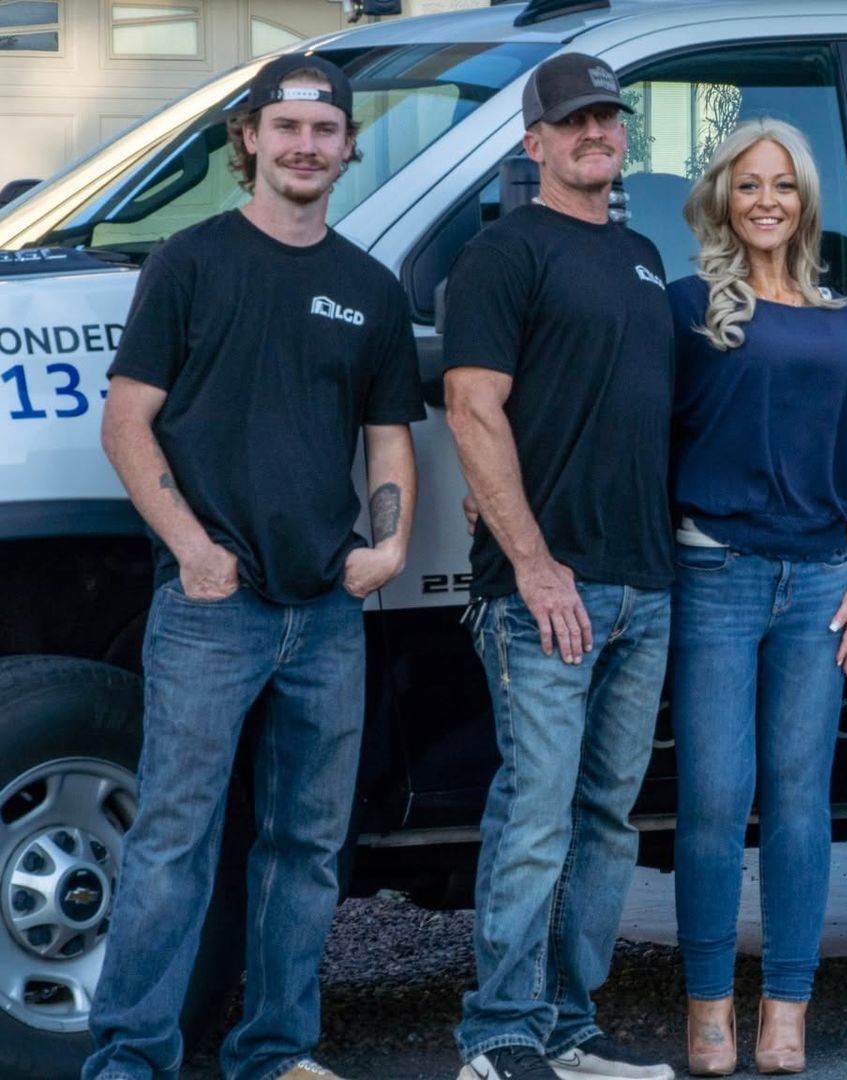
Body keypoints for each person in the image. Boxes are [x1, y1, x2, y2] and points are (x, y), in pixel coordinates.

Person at [86, 55, 422, 1080]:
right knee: (172, 842)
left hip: (326, 612)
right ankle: (129, 1058)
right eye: (287, 130)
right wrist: (192, 549)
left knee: (307, 851)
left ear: (347, 147)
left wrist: (392, 546)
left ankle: (275, 1052)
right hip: (209, 609)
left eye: (325, 133)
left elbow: (389, 437)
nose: (306, 148)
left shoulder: (368, 289)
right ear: (251, 141)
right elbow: (126, 423)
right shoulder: (190, 262)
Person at [442, 53, 676, 1080]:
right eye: (573, 122)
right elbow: (472, 408)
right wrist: (534, 565)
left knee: (606, 819)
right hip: (546, 586)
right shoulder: (503, 255)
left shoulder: (642, 255)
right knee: (534, 811)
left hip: (645, 584)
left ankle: (569, 1029)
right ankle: (498, 1035)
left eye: (607, 120)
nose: (595, 134)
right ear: (533, 143)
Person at [666, 117, 847, 1075]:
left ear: (805, 202)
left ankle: (786, 1003)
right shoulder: (685, 306)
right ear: (722, 197)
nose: (766, 200)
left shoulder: (842, 317)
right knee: (715, 799)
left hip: (820, 585)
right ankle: (708, 1005)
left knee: (802, 800)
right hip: (715, 568)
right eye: (748, 184)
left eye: (783, 185)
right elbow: (639, 432)